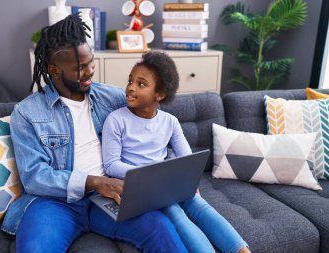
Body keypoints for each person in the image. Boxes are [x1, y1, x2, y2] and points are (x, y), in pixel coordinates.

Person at [1, 14, 189, 253]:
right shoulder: (27, 113)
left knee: (160, 229)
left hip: (110, 198)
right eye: (80, 68)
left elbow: (155, 123)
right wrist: (95, 182)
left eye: (91, 63)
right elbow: (35, 176)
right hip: (55, 203)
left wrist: (163, 174)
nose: (90, 71)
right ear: (54, 70)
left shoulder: (113, 97)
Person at [102, 51, 251, 253]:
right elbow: (111, 165)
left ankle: (242, 250)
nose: (130, 88)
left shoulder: (169, 121)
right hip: (139, 187)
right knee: (174, 211)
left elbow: (187, 159)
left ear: (160, 94)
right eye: (130, 81)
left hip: (165, 183)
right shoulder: (116, 119)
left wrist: (188, 183)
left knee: (199, 205)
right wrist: (150, 174)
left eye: (141, 84)